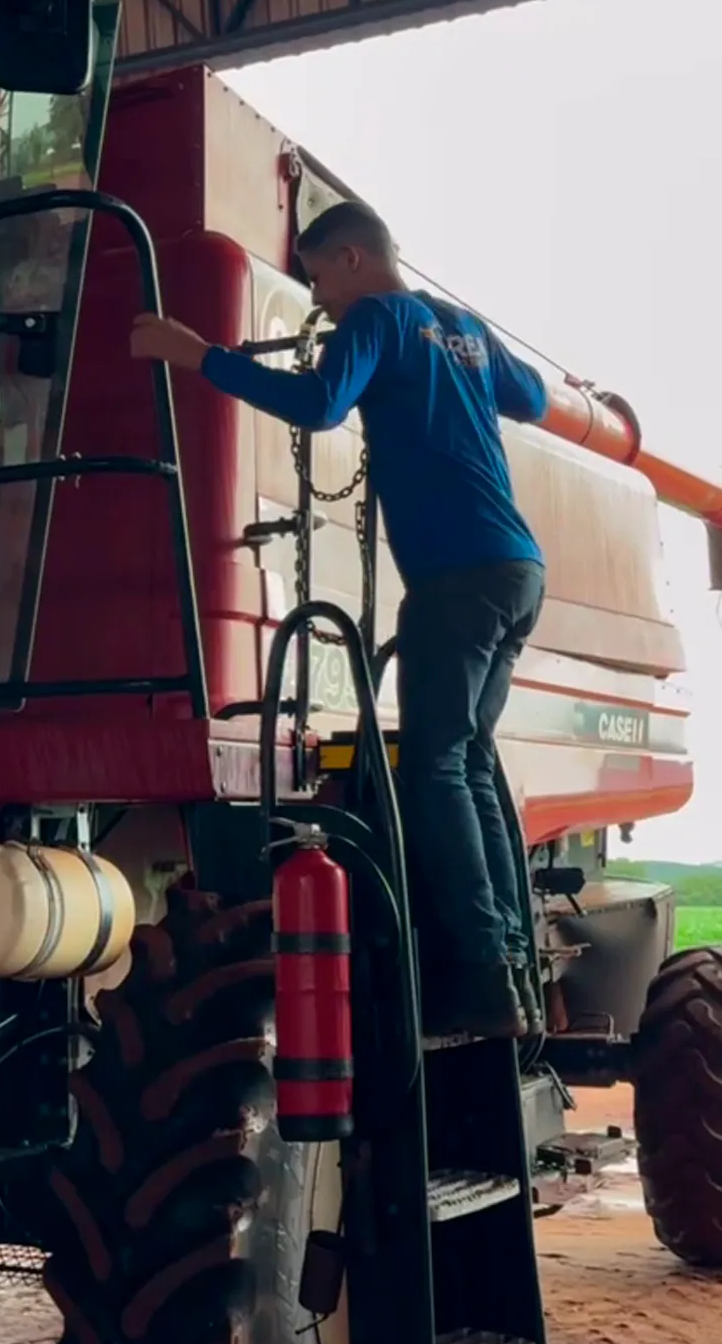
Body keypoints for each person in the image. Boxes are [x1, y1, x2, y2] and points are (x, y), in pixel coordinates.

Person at [129, 199, 548, 1040]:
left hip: (456, 578)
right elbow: (531, 397)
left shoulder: (381, 319)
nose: (320, 300)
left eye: (320, 278)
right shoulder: (450, 322)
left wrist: (195, 355)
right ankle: (515, 976)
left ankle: (481, 975)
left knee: (434, 768)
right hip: (518, 571)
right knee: (468, 767)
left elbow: (320, 405)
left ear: (353, 259)